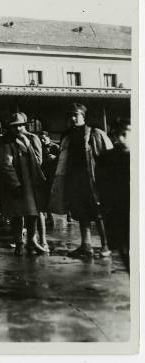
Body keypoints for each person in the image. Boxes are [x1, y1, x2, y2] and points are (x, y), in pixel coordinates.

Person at [50, 103, 113, 258]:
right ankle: (86, 245)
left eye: (76, 115)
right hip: (74, 180)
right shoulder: (67, 137)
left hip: (92, 180)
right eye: (70, 115)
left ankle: (106, 245)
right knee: (81, 212)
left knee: (98, 213)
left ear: (83, 117)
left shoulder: (95, 134)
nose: (72, 118)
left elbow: (108, 158)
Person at [0, 113, 49, 255]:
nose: (18, 128)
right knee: (16, 214)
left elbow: (39, 161)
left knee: (32, 212)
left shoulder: (31, 139)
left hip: (31, 183)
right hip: (16, 183)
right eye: (14, 126)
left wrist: (28, 145)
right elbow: (5, 165)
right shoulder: (6, 142)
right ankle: (19, 243)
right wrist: (14, 184)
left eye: (20, 125)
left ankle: (32, 241)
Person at [97, 118, 130, 270]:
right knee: (126, 255)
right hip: (119, 216)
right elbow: (102, 189)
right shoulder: (107, 158)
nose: (122, 139)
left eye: (126, 134)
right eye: (118, 135)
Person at [38, 131, 60, 224]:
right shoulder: (40, 148)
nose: (42, 140)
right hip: (44, 174)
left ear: (48, 137)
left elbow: (61, 158)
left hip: (54, 174)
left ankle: (69, 214)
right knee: (46, 195)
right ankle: (50, 216)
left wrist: (54, 158)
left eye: (44, 138)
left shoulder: (55, 147)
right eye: (41, 139)